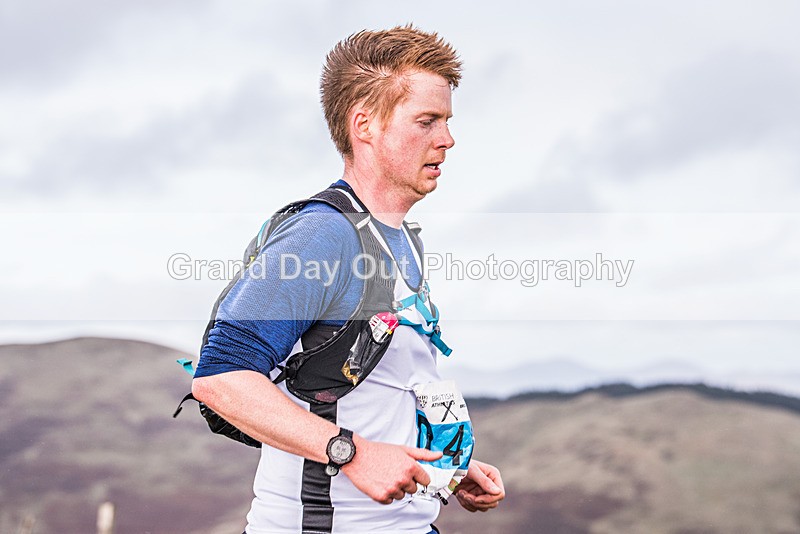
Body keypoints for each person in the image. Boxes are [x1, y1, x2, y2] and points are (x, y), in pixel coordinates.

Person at [191, 25, 505, 534]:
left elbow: (379, 388)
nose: (447, 139)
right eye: (426, 121)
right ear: (365, 125)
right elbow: (220, 378)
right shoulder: (322, 234)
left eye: (446, 121)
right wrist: (352, 454)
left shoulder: (400, 237)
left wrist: (443, 470)